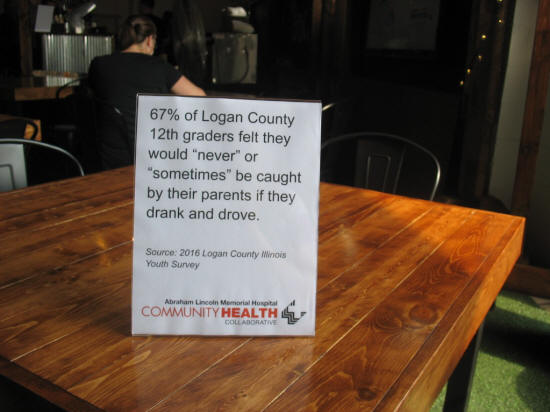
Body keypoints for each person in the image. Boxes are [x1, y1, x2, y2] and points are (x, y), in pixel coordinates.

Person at [88, 14, 205, 170]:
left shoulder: (98, 65)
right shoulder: (159, 67)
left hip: (106, 161)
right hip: (151, 161)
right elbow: (200, 97)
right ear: (150, 40)